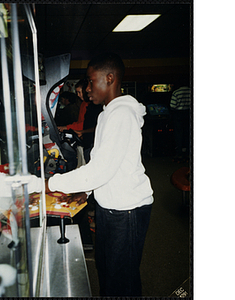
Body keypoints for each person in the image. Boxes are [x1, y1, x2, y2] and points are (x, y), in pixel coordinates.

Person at [45, 53, 154, 297]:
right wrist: (88, 191)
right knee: (107, 272)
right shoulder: (108, 113)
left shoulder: (121, 114)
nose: (87, 88)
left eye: (91, 81)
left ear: (110, 78)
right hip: (111, 206)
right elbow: (108, 164)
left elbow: (101, 170)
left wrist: (51, 184)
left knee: (121, 281)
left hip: (127, 210)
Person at [170, 83, 191, 161]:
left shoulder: (176, 92)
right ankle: (188, 153)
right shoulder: (190, 91)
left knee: (178, 134)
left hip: (178, 115)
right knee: (188, 134)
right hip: (188, 113)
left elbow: (173, 106)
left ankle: (179, 154)